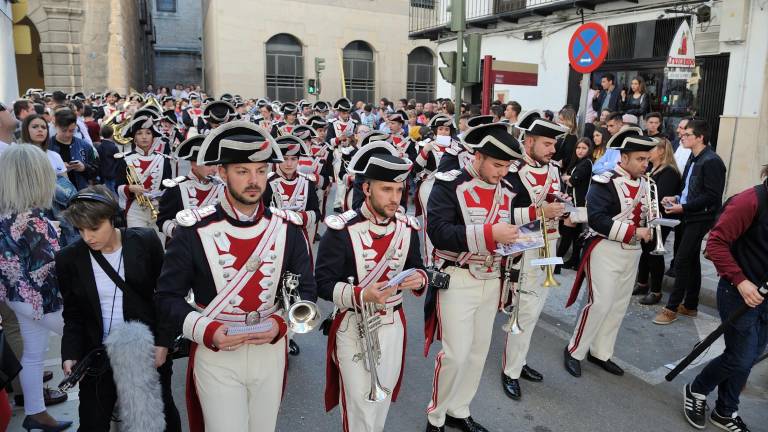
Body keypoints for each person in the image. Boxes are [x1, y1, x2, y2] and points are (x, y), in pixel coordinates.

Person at [155, 121, 317, 432]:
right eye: (242, 171)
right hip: (217, 350)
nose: (254, 181)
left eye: (259, 171)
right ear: (222, 173)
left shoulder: (287, 228)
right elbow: (167, 297)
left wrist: (281, 323)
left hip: (270, 349)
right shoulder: (192, 230)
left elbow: (306, 290)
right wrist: (206, 330)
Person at [317, 145, 427, 432]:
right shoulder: (341, 229)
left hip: (393, 323)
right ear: (366, 188)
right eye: (386, 190)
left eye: (399, 191)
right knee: (359, 406)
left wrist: (420, 279)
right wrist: (360, 294)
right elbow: (321, 282)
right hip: (353, 324)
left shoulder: (408, 227)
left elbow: (418, 266)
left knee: (382, 400)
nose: (394, 199)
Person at [57, 185, 181, 431]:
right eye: (80, 230)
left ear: (112, 219)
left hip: (145, 351)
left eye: (94, 228)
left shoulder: (145, 241)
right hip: (97, 356)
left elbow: (166, 297)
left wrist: (163, 344)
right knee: (93, 423)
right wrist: (70, 353)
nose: (87, 237)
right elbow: (73, 313)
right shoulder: (69, 258)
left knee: (157, 420)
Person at [424, 122, 522, 432]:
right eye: (497, 164)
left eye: (506, 166)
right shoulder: (449, 183)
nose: (502, 172)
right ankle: (435, 416)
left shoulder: (507, 190)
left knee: (478, 352)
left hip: (492, 278)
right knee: (455, 354)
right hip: (457, 276)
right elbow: (438, 232)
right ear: (477, 156)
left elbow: (511, 226)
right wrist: (490, 233)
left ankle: (459, 409)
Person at [563, 126, 657, 378]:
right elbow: (596, 219)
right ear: (623, 158)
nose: (644, 164)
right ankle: (574, 350)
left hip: (632, 252)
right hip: (605, 248)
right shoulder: (604, 180)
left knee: (618, 306)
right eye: (640, 159)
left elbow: (644, 216)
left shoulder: (647, 184)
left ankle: (601, 352)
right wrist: (634, 232)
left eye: (647, 159)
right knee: (600, 304)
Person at [681, 167, 768, 432]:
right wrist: (741, 281)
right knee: (741, 357)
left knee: (749, 356)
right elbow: (715, 243)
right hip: (738, 291)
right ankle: (697, 389)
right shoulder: (749, 201)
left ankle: (725, 410)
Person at [0, 145, 72, 432]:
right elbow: (48, 271)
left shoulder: (8, 213)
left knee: (33, 353)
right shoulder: (31, 220)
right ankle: (106, 405)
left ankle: (35, 413)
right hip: (40, 300)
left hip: (17, 297)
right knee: (95, 340)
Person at [500, 110, 569, 401]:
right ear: (528, 142)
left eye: (553, 145)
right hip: (524, 245)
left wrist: (566, 209)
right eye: (547, 144)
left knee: (535, 308)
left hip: (549, 243)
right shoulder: (513, 171)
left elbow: (555, 198)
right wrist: (541, 212)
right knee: (523, 309)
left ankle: (520, 361)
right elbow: (504, 213)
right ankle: (510, 371)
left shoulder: (553, 169)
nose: (553, 150)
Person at [653, 119, 727, 324]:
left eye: (687, 135)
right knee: (691, 260)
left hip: (700, 217)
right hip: (688, 214)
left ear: (700, 137)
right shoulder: (694, 158)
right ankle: (691, 304)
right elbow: (689, 189)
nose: (682, 137)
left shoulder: (712, 161)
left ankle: (671, 308)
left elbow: (712, 196)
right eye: (682, 135)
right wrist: (676, 198)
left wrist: (683, 207)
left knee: (682, 260)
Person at [633, 138, 682, 305]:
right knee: (645, 250)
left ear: (661, 151)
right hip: (649, 216)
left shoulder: (669, 171)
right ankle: (642, 283)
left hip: (660, 218)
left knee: (654, 253)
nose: (648, 152)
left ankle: (656, 291)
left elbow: (660, 197)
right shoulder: (654, 168)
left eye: (651, 149)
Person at [115, 114, 172, 239]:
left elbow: (168, 187)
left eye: (148, 133)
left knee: (159, 246)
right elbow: (117, 187)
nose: (144, 137)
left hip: (158, 209)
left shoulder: (163, 160)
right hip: (135, 209)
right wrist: (130, 188)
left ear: (153, 137)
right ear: (134, 138)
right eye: (139, 133)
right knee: (138, 244)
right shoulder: (124, 159)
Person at [156, 135, 224, 239]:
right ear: (194, 164)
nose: (214, 170)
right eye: (209, 165)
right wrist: (178, 233)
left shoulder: (222, 188)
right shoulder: (177, 188)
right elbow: (162, 220)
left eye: (216, 164)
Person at [556, 137, 594, 271]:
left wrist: (567, 178)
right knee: (574, 234)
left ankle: (556, 263)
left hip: (577, 203)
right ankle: (575, 261)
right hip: (572, 202)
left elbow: (572, 181)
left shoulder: (587, 163)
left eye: (584, 148)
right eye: (578, 147)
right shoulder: (578, 162)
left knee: (566, 233)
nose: (580, 150)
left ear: (589, 149)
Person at [49, 108, 99, 190]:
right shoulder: (47, 146)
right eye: (64, 131)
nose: (68, 134)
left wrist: (84, 168)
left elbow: (96, 171)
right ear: (55, 126)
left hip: (80, 192)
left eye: (71, 131)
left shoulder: (85, 146)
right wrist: (58, 169)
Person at [96, 124, 120, 192]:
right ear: (112, 134)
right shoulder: (113, 147)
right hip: (113, 173)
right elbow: (118, 160)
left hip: (104, 173)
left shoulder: (100, 146)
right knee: (114, 190)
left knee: (109, 190)